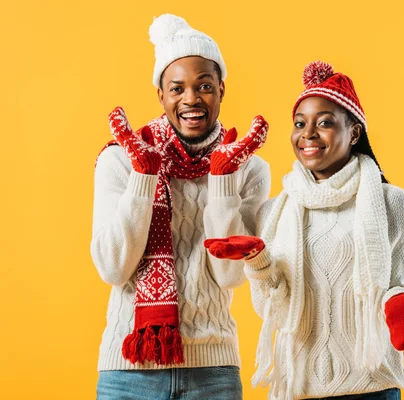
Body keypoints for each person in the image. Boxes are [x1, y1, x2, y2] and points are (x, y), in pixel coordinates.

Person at [205, 61, 404, 400]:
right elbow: (275, 309)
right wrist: (258, 261)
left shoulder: (391, 202)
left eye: (324, 122)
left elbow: (397, 282)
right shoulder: (275, 211)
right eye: (300, 124)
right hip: (297, 388)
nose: (307, 134)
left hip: (371, 386)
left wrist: (400, 303)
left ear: (354, 133)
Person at [91, 13, 270, 400]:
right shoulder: (120, 161)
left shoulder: (249, 169)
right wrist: (144, 175)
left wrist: (222, 178)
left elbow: (230, 275)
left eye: (204, 86)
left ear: (221, 89)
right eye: (177, 88)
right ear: (161, 95)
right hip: (129, 373)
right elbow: (112, 266)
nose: (191, 99)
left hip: (214, 372)